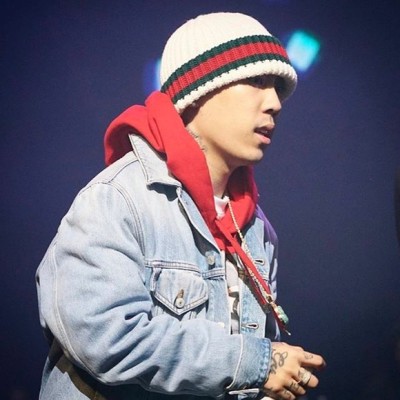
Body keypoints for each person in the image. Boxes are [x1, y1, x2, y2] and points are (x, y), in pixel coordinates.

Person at [35, 11, 325, 400]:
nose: (274, 102)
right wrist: (256, 364)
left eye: (276, 88)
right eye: (257, 81)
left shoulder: (258, 231)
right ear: (199, 90)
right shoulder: (117, 200)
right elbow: (104, 338)